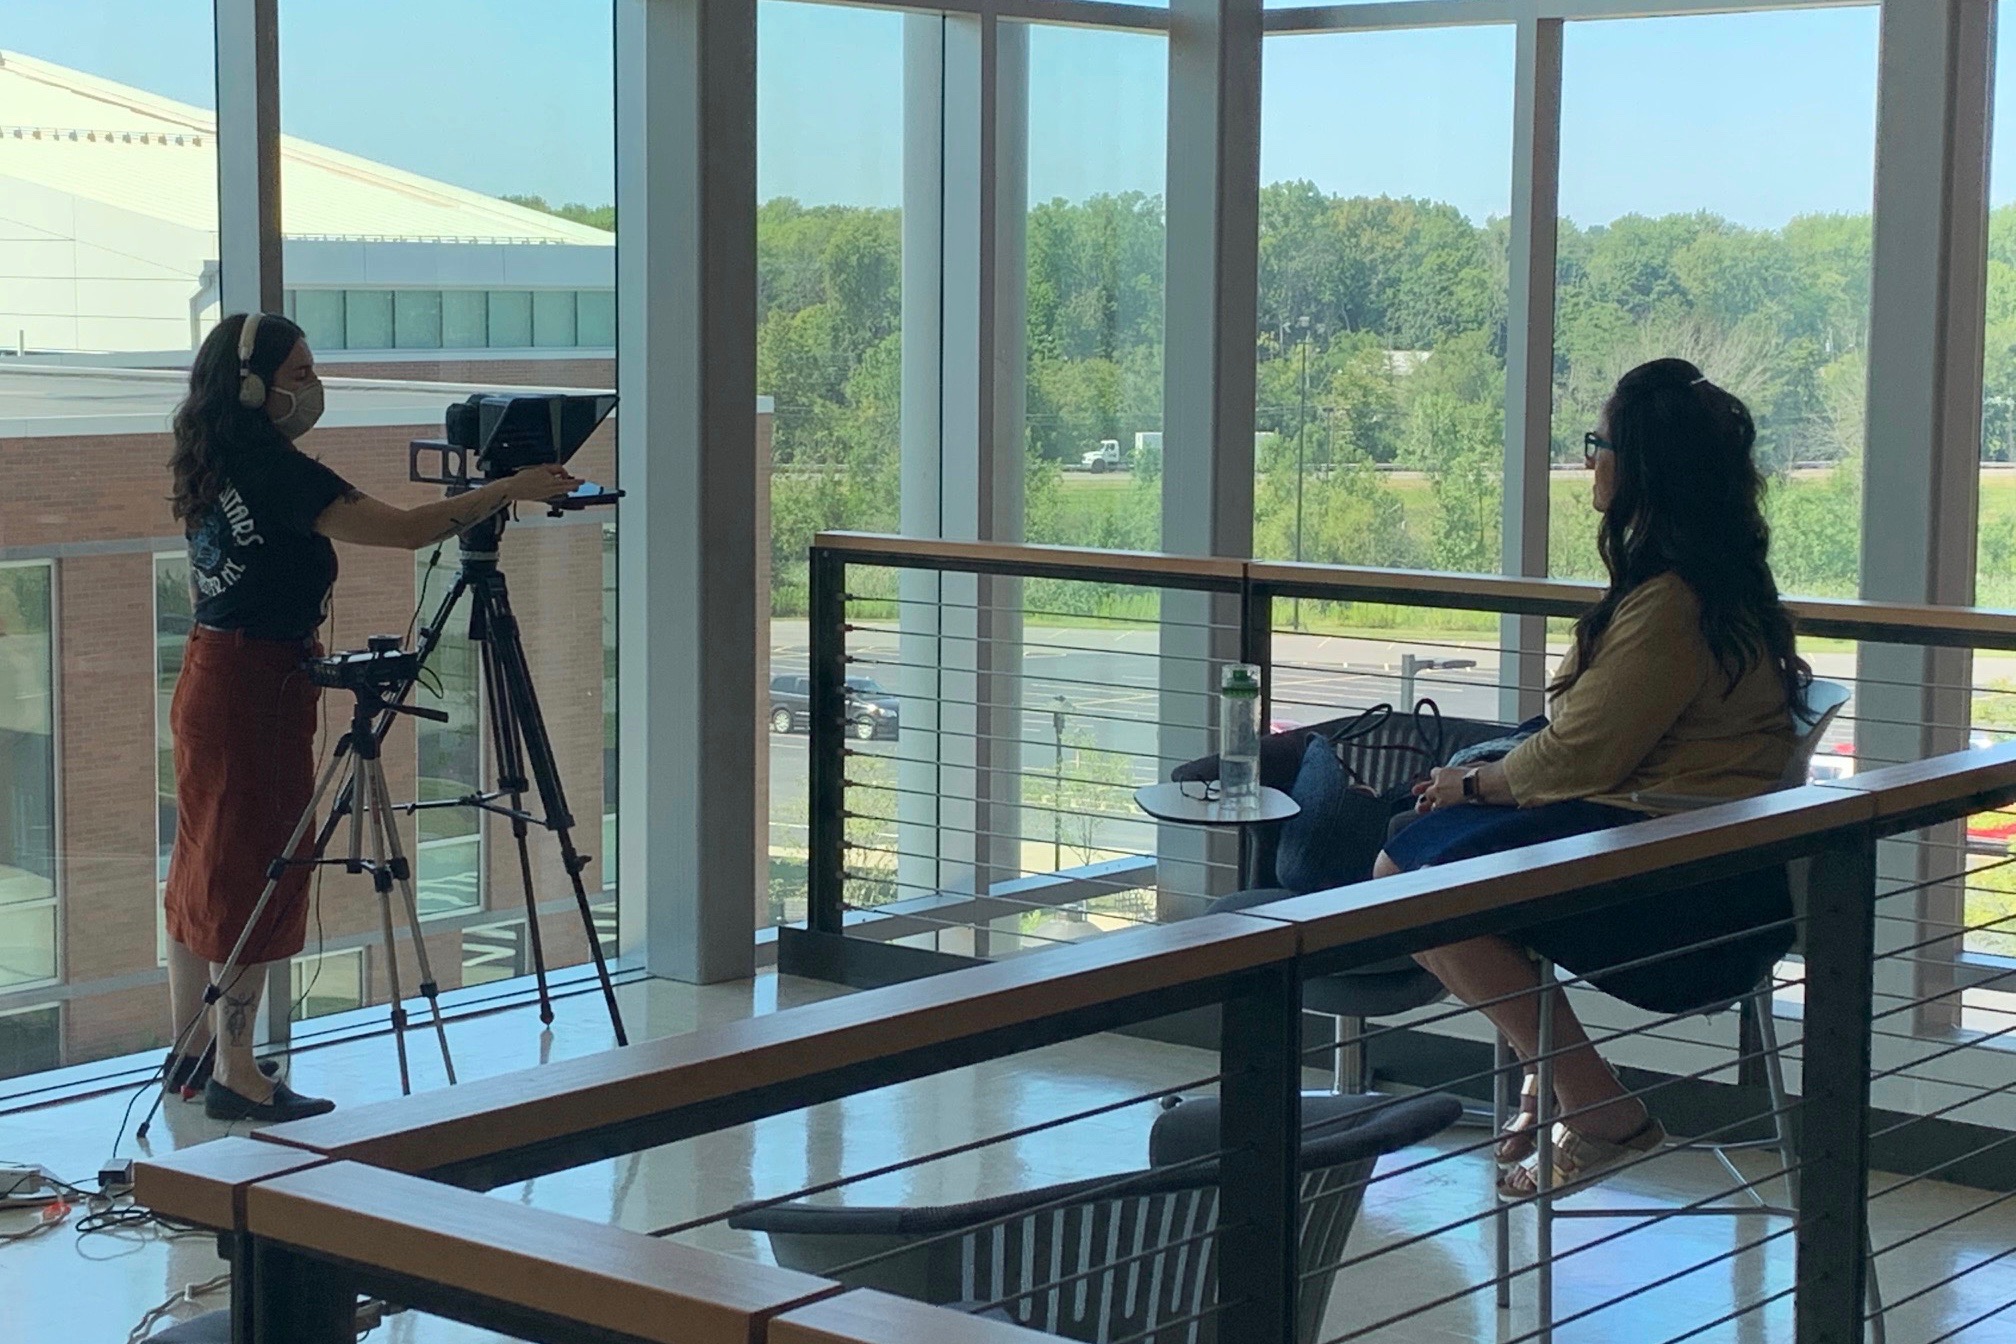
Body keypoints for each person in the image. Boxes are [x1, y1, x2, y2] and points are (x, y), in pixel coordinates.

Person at [1378, 357, 1807, 1197]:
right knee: (1412, 859)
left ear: (1643, 467)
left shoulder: (1673, 604)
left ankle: (1596, 1104)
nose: (1589, 462)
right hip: (1702, 860)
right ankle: (1562, 1076)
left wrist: (1473, 784)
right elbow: (1594, 741)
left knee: (1407, 885)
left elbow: (1582, 754)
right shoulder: (1712, 589)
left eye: (1598, 443)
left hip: (1683, 892)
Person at [163, 312, 580, 1121]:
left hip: (213, 668)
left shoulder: (212, 453)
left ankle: (193, 1051)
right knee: (254, 870)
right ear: (254, 388)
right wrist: (507, 489)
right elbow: (403, 530)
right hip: (256, 685)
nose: (313, 389)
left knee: (202, 864)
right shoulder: (280, 473)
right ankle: (237, 1074)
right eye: (302, 374)